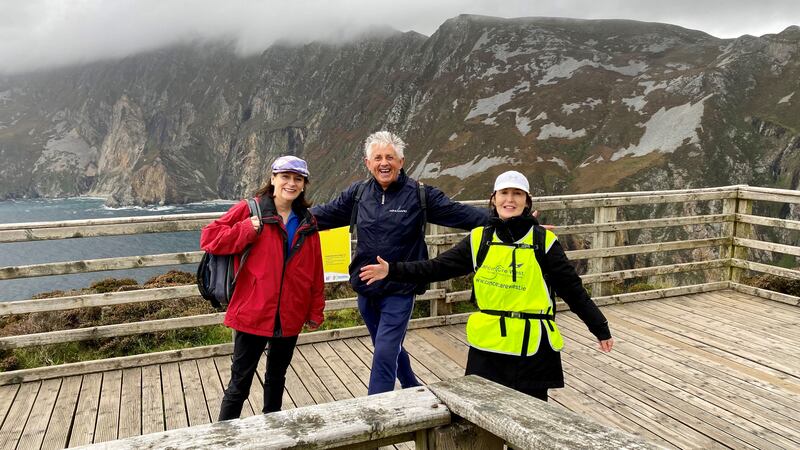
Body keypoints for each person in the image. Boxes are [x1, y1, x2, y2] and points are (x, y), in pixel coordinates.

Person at [360, 170, 614, 401]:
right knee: (480, 418)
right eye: (504, 193)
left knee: (529, 421)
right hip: (488, 348)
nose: (510, 200)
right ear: (493, 199)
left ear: (527, 201)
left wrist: (599, 327)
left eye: (517, 194)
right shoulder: (479, 239)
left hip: (532, 350)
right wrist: (391, 270)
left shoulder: (543, 241)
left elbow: (572, 289)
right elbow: (436, 267)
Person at [311, 131, 490, 394]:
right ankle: (410, 384)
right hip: (366, 287)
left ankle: (376, 410)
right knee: (388, 345)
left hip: (400, 287)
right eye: (378, 158)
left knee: (384, 352)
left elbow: (462, 214)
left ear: (401, 161)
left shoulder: (419, 195)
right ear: (368, 163)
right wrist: (283, 216)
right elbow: (323, 215)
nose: (384, 163)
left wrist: (511, 222)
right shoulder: (358, 194)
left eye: (390, 157)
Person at [201, 155, 325, 419]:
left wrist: (315, 309)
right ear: (273, 179)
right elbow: (209, 238)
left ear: (304, 185)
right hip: (253, 312)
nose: (291, 183)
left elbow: (315, 270)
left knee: (277, 378)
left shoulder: (307, 221)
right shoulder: (251, 210)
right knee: (239, 385)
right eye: (285, 177)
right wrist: (245, 229)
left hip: (290, 313)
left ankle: (273, 431)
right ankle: (224, 439)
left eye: (297, 179)